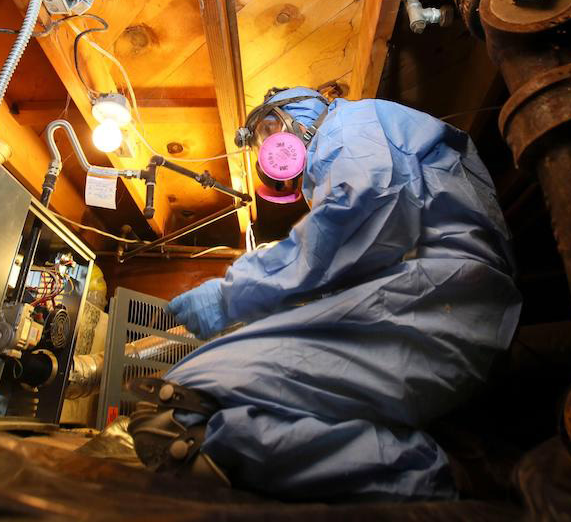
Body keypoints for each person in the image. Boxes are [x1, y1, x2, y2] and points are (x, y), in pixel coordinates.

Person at [128, 87, 521, 501]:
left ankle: (449, 482)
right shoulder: (352, 139)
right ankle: (446, 472)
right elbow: (363, 243)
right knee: (205, 408)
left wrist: (233, 294)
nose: (272, 150)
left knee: (178, 413)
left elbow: (357, 215)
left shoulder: (348, 126)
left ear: (294, 113)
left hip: (442, 302)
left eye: (268, 130)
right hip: (440, 306)